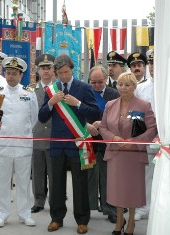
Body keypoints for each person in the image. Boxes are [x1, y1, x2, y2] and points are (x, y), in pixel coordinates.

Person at [38, 54, 100, 234]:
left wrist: (78, 103)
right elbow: (42, 117)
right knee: (56, 183)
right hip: (57, 144)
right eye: (60, 73)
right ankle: (56, 218)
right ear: (56, 73)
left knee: (80, 184)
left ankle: (82, 220)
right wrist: (50, 103)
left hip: (78, 144)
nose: (64, 76)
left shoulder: (84, 87)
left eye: (67, 72)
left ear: (72, 70)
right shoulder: (51, 89)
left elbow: (96, 113)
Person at [99, 72, 157, 235]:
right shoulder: (110, 104)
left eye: (127, 85)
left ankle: (131, 221)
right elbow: (103, 128)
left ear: (134, 86)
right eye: (120, 84)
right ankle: (119, 221)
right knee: (117, 191)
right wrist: (114, 138)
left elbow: (153, 128)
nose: (123, 88)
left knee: (131, 191)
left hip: (133, 155)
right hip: (116, 154)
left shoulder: (143, 105)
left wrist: (135, 142)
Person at [0, 57, 38, 227]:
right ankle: (1, 214)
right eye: (8, 73)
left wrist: (24, 133)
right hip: (2, 145)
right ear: (5, 74)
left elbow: (33, 118)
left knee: (23, 181)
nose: (11, 76)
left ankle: (25, 214)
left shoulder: (29, 93)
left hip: (23, 145)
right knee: (2, 181)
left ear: (21, 75)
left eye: (14, 74)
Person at [87, 66, 120, 224]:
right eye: (93, 82)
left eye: (100, 82)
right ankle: (88, 208)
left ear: (106, 79)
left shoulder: (114, 93)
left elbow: (120, 117)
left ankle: (111, 210)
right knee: (89, 177)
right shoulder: (86, 92)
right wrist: (87, 125)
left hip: (108, 142)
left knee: (110, 178)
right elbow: (78, 113)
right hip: (89, 141)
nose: (96, 86)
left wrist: (104, 124)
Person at [134, 49, 158, 221]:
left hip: (167, 138)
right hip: (147, 138)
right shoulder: (141, 88)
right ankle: (144, 207)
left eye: (155, 63)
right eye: (150, 63)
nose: (152, 67)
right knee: (146, 174)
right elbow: (134, 114)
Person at [31, 53, 55, 213]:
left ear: (54, 70)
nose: (46, 71)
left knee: (54, 174)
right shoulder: (30, 90)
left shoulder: (60, 89)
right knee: (38, 173)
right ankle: (39, 201)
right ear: (37, 70)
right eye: (42, 68)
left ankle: (55, 200)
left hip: (55, 138)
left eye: (49, 67)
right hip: (37, 136)